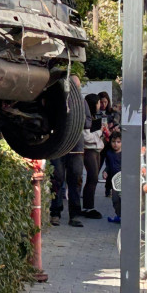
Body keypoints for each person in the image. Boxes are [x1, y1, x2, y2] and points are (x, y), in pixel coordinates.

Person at [49, 76, 89, 228]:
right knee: (57, 180)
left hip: (76, 149)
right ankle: (55, 213)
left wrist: (76, 119)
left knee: (75, 182)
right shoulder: (58, 100)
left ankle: (75, 215)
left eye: (75, 86)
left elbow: (88, 122)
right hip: (59, 147)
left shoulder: (82, 102)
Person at [81, 94, 106, 219]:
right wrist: (100, 132)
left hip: (96, 150)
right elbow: (86, 137)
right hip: (90, 150)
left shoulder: (93, 117)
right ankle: (88, 207)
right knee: (93, 178)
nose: (99, 105)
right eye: (98, 103)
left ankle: (89, 206)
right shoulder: (86, 118)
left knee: (94, 178)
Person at [104, 131, 123, 223]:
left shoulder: (125, 153)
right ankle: (119, 215)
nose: (116, 144)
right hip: (114, 181)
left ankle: (124, 216)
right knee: (115, 200)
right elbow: (108, 165)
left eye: (118, 142)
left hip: (123, 180)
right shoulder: (109, 153)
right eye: (113, 142)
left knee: (123, 199)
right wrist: (105, 171)